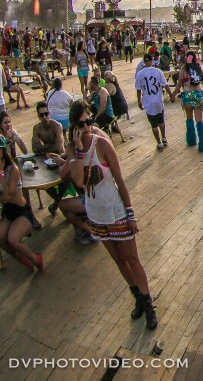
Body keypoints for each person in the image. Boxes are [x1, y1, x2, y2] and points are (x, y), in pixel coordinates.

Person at [70, 101, 158, 329]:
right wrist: (78, 150)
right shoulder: (73, 149)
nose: (87, 127)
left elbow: (120, 180)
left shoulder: (102, 144)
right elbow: (78, 181)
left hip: (116, 212)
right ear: (74, 126)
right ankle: (137, 297)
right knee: (118, 260)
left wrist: (131, 214)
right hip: (96, 215)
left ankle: (148, 303)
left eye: (89, 121)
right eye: (81, 124)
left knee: (131, 258)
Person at [0, 142, 41, 273]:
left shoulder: (13, 169)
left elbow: (8, 196)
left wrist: (1, 173)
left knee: (12, 240)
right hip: (8, 210)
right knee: (1, 237)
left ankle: (36, 260)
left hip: (21, 211)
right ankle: (22, 259)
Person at [171, 52, 203, 150]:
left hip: (187, 95)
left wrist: (173, 95)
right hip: (198, 95)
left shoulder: (184, 68)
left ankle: (191, 141)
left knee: (189, 119)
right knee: (199, 121)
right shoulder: (198, 67)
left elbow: (179, 84)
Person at [135, 53, 169, 150]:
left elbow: (138, 89)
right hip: (158, 100)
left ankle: (159, 143)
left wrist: (139, 101)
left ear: (144, 62)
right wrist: (171, 95)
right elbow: (165, 85)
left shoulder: (140, 74)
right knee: (161, 121)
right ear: (152, 60)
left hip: (148, 101)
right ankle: (164, 137)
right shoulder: (158, 71)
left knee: (154, 125)